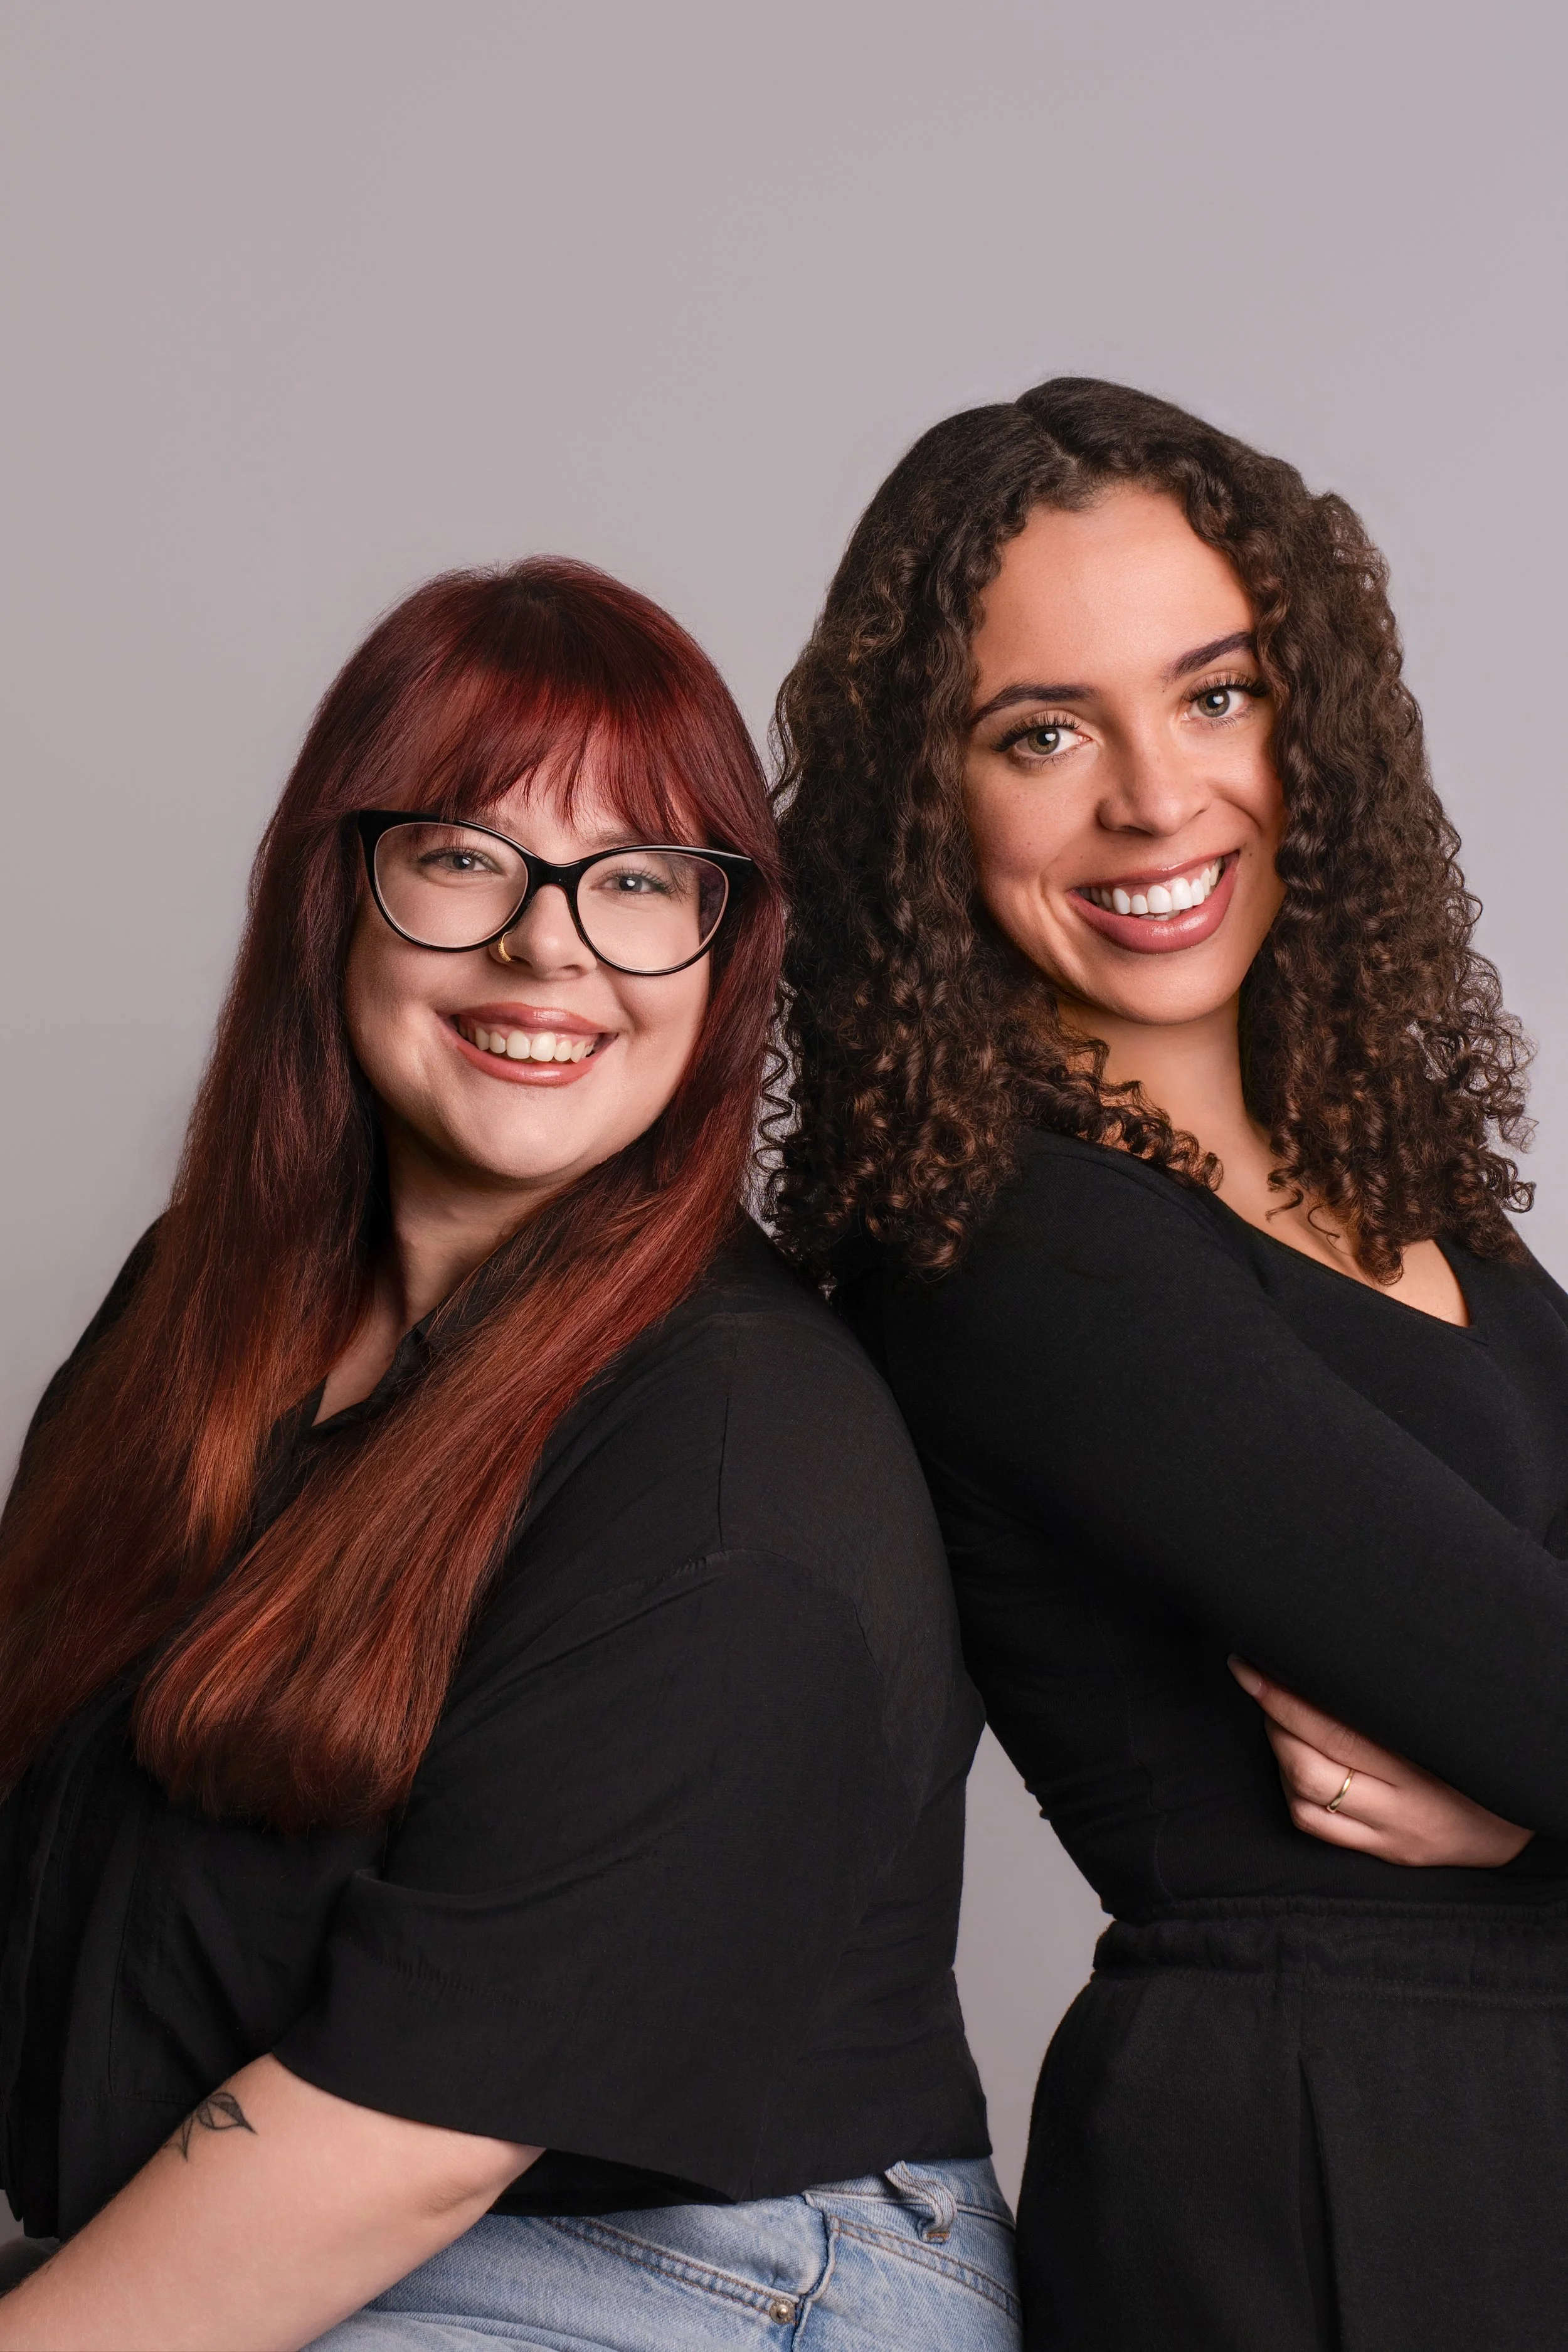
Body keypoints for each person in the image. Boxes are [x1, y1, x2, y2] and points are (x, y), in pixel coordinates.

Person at [0, 560, 1019, 2351]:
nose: (551, 946)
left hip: (699, 2268)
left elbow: (408, 2134)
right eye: (467, 856)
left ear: (723, 946)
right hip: (296, 2224)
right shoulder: (201, 1311)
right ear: (339, 893)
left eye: (638, 882)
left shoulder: (732, 1449)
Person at [771, 378, 1568, 2352]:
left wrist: (1534, 1820)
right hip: (1327, 2170)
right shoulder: (1005, 1241)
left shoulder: (1403, 1185)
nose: (1155, 796)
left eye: (1213, 694)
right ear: (923, 801)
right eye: (1041, 733)